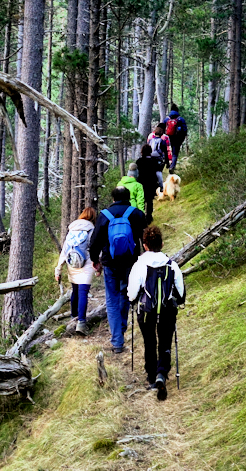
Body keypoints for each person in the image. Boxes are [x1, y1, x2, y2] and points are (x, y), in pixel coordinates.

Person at [127, 225, 185, 401]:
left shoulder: (139, 265)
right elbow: (181, 295)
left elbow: (131, 295)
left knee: (149, 342)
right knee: (165, 342)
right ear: (162, 243)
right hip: (167, 311)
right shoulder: (172, 265)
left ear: (145, 245)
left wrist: (134, 300)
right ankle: (162, 373)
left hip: (146, 312)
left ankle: (152, 377)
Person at [89, 187, 147, 353]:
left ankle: (117, 341)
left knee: (112, 300)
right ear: (128, 198)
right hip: (130, 262)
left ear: (113, 198)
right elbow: (145, 238)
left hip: (110, 263)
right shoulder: (136, 213)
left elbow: (95, 242)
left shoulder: (104, 215)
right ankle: (121, 328)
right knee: (125, 295)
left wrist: (95, 260)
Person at [54, 207, 99, 335]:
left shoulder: (72, 229)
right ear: (93, 218)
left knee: (75, 290)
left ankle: (73, 318)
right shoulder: (92, 229)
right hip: (87, 263)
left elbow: (64, 251)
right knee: (83, 292)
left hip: (72, 263)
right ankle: (81, 323)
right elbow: (95, 248)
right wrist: (98, 265)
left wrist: (58, 269)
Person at [135, 144, 161, 225]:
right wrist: (160, 184)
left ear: (142, 151)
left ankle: (141, 217)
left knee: (141, 200)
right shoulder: (154, 161)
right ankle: (149, 217)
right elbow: (158, 174)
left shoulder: (139, 161)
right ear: (150, 151)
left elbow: (136, 174)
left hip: (141, 184)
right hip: (151, 184)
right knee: (150, 201)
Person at [161, 103, 188, 171]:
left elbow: (162, 128)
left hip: (168, 137)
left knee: (166, 151)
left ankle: (165, 164)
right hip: (177, 138)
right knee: (175, 153)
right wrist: (183, 137)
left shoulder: (167, 119)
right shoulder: (180, 119)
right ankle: (172, 166)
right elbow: (184, 129)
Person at [146, 123, 172, 188]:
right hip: (158, 159)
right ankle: (161, 187)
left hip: (150, 158)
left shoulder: (150, 139)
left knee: (152, 173)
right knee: (159, 173)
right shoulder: (163, 140)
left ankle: (151, 186)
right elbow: (166, 151)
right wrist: (167, 162)